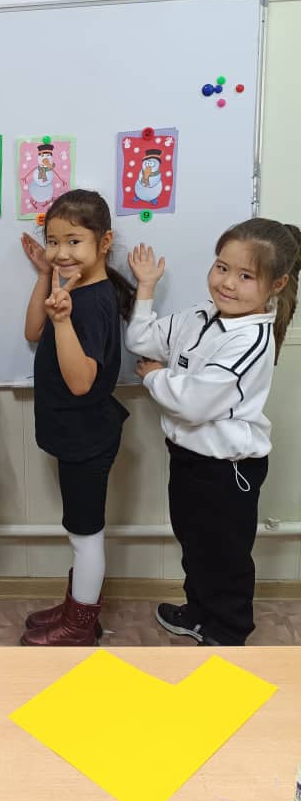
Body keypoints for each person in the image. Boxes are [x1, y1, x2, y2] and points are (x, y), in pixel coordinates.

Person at [126, 220, 301, 646]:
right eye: (222, 267)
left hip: (227, 470)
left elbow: (193, 402)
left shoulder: (252, 339)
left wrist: (155, 377)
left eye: (246, 276)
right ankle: (199, 613)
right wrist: (146, 288)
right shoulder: (200, 315)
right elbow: (141, 340)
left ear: (276, 284)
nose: (227, 283)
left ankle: (228, 632)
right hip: (188, 457)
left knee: (224, 556)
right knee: (195, 545)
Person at [20, 190, 134, 647]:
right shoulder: (73, 290)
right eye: (53, 241)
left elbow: (82, 381)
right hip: (74, 434)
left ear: (104, 243)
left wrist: (63, 322)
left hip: (88, 436)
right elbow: (32, 331)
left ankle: (81, 625)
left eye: (73, 241)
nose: (61, 252)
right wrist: (45, 276)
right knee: (78, 530)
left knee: (85, 536)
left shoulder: (92, 302)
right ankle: (76, 607)